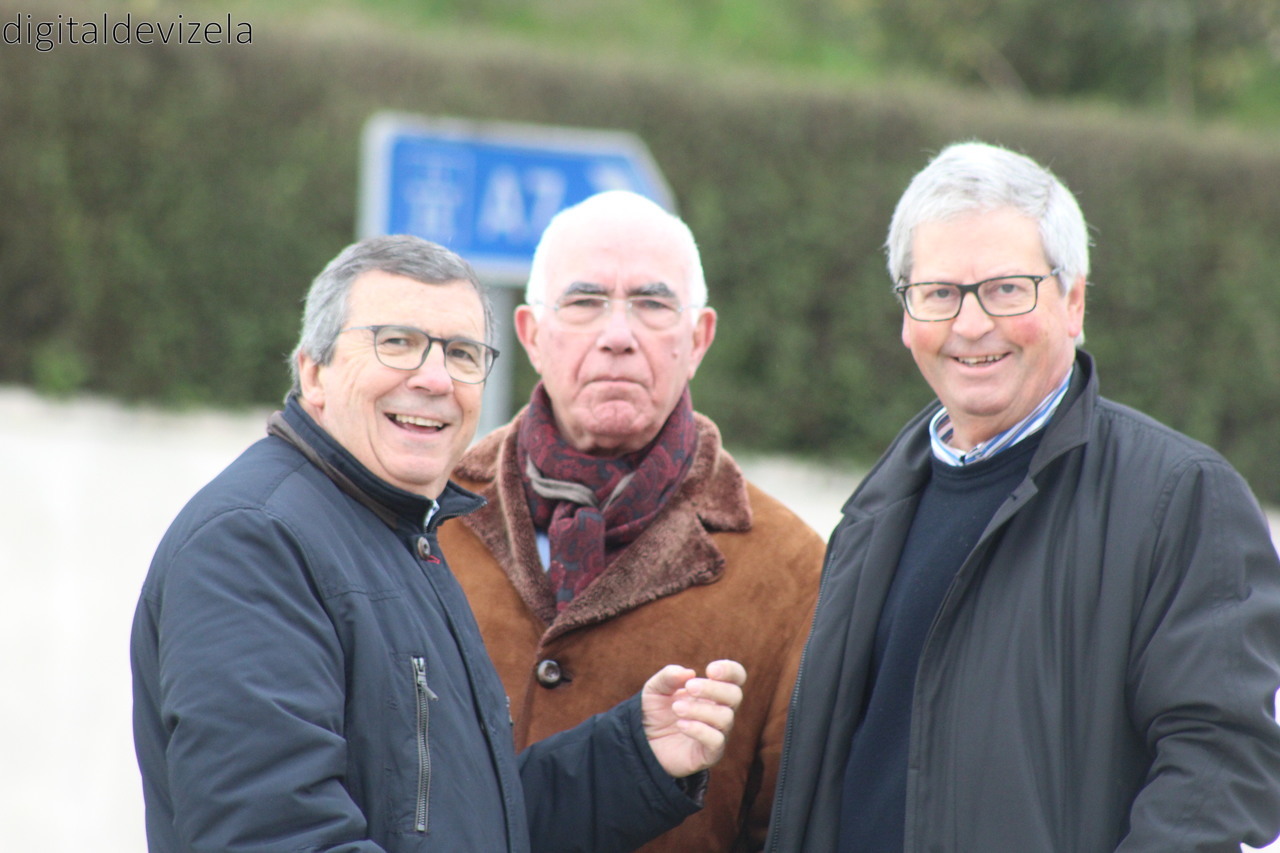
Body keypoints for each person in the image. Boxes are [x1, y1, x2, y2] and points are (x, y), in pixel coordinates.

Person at [130, 234, 748, 853]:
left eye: (461, 353)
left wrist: (635, 755)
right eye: (396, 343)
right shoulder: (252, 543)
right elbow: (278, 837)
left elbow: (472, 820)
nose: (434, 379)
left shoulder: (401, 534)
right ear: (313, 373)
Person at [765, 141, 1280, 851]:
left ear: (1073, 300)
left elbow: (1221, 772)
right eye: (940, 292)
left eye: (1007, 289)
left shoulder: (1180, 497)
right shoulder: (875, 506)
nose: (971, 325)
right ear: (906, 315)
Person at [436, 190, 825, 851]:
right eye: (585, 302)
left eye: (651, 303)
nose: (617, 335)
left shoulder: (791, 569)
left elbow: (792, 828)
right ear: (531, 334)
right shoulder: (428, 516)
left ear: (697, 338)